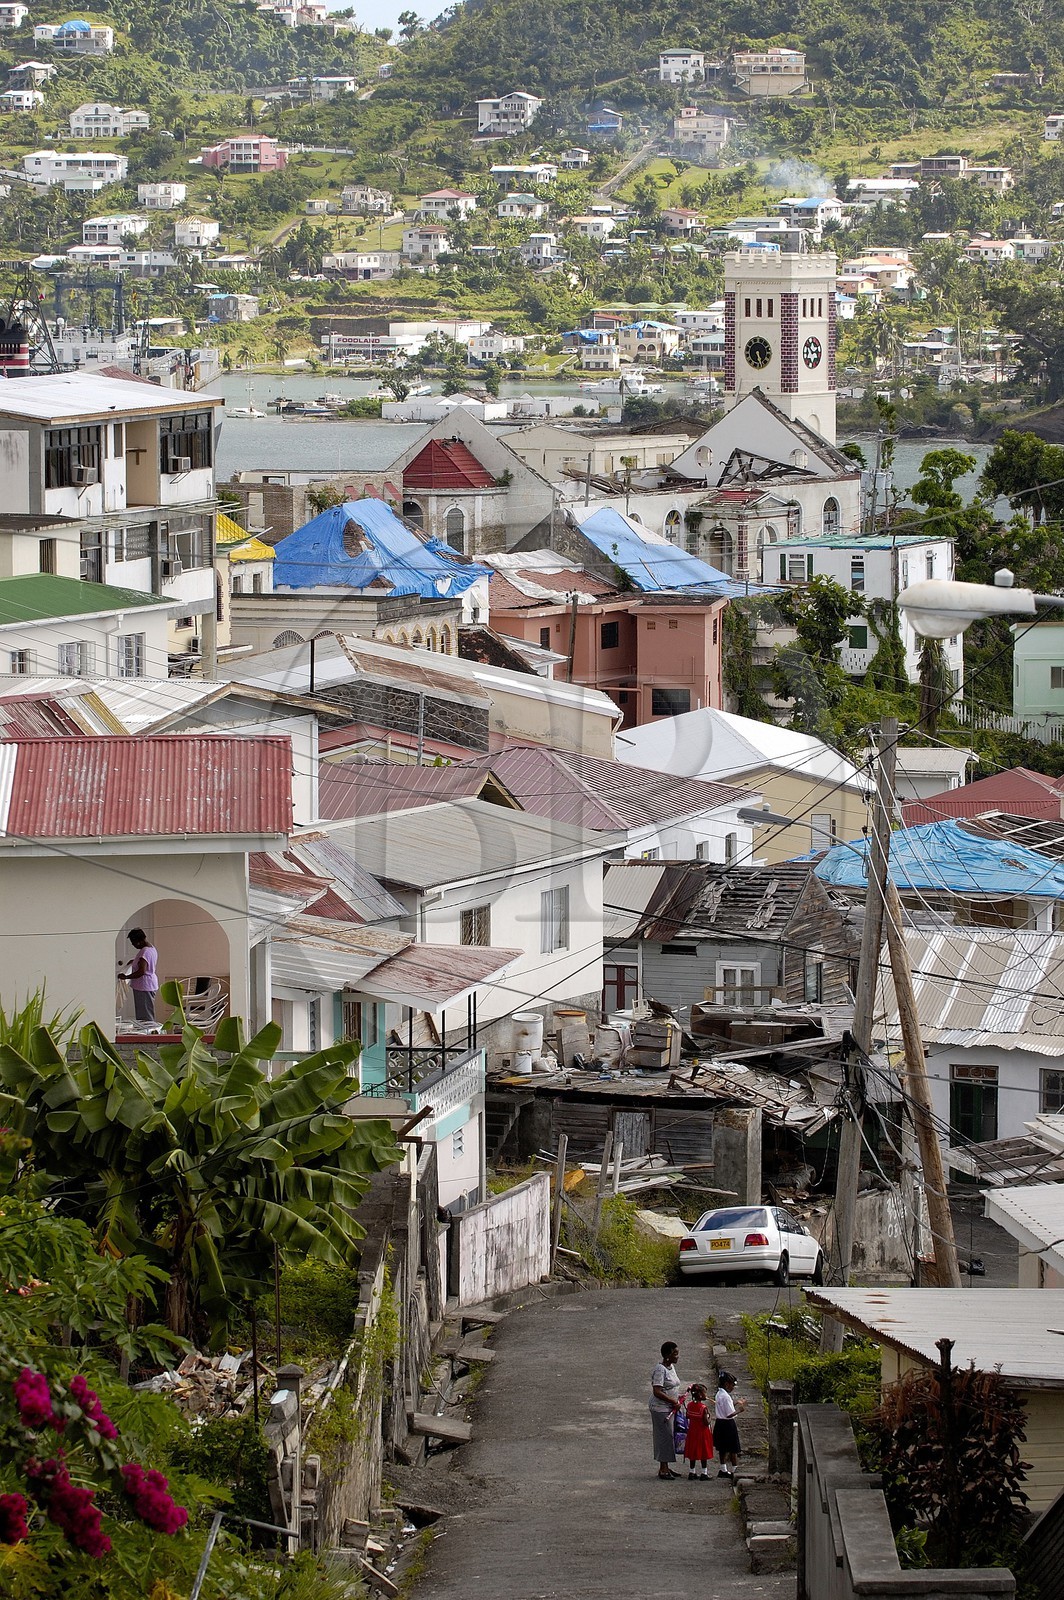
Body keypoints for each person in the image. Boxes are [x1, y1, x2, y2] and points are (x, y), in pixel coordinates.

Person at [649, 1341, 683, 1479]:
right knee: (664, 1437)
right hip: (660, 1408)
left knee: (670, 1436)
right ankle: (663, 1468)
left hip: (669, 1407)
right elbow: (657, 1391)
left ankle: (666, 1466)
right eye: (675, 1353)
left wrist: (678, 1397)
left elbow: (671, 1386)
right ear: (668, 1355)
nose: (677, 1356)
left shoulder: (670, 1367)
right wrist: (672, 1400)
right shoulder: (660, 1369)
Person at [120, 928, 159, 1024]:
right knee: (146, 1013)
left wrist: (126, 977)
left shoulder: (144, 952)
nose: (133, 945)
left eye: (133, 943)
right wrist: (134, 961)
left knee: (145, 1017)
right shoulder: (151, 948)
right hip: (148, 985)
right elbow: (144, 962)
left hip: (144, 987)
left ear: (138, 941)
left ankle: (148, 1037)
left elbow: (141, 971)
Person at [713, 1370, 747, 1479]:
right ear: (727, 1384)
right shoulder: (726, 1397)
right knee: (733, 1448)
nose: (733, 1388)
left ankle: (723, 1469)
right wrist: (740, 1410)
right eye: (732, 1385)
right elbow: (729, 1414)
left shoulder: (719, 1394)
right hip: (728, 1424)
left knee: (722, 1448)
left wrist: (736, 1402)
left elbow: (724, 1407)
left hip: (720, 1423)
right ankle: (735, 1469)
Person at [683, 1382, 714, 1480]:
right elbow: (706, 1422)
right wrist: (710, 1417)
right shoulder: (703, 1408)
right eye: (705, 1393)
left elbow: (688, 1416)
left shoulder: (690, 1405)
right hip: (702, 1433)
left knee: (693, 1451)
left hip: (692, 1431)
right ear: (700, 1395)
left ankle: (692, 1472)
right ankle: (704, 1473)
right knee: (703, 1452)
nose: (706, 1396)